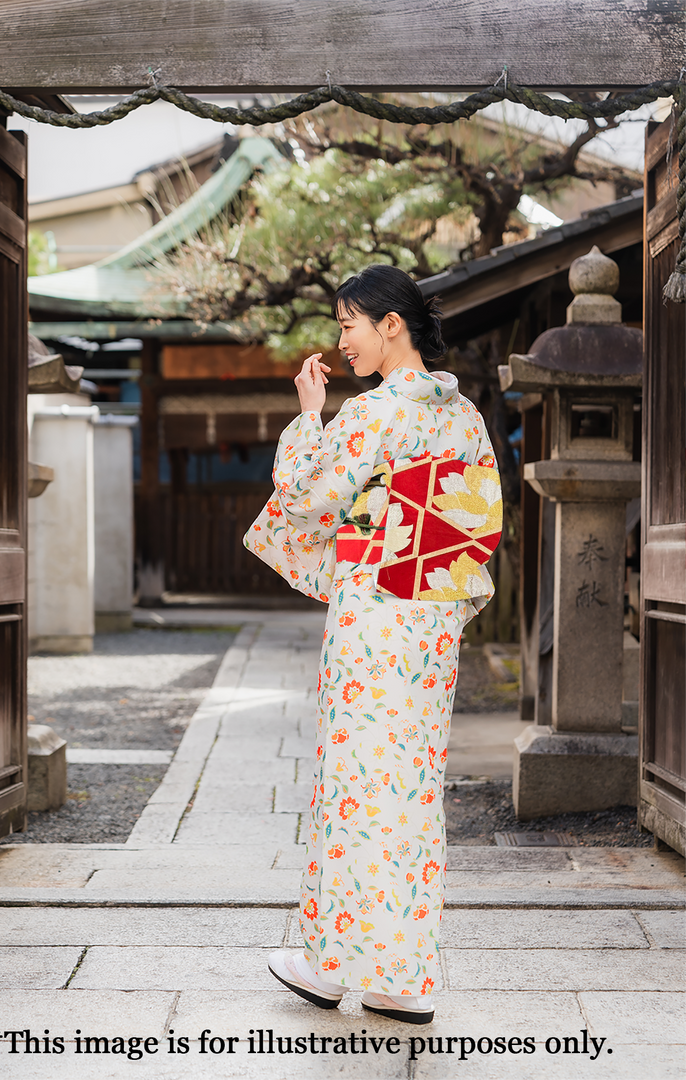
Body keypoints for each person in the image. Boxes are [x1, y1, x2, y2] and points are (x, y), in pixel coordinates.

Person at [244, 263, 501, 1024]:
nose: (342, 339)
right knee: (412, 795)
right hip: (429, 626)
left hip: (375, 619)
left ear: (392, 325)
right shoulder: (465, 417)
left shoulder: (375, 413)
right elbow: (478, 532)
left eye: (350, 323)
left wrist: (308, 413)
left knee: (354, 790)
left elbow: (304, 498)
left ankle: (332, 965)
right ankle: (402, 978)